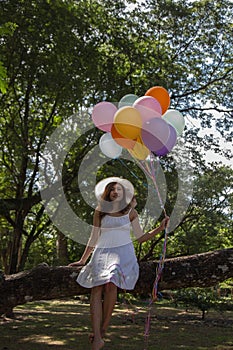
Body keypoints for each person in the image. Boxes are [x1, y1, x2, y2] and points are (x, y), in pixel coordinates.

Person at [69, 177, 169, 350]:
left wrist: (160, 228)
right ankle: (97, 336)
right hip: (102, 252)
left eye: (119, 190)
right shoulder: (100, 211)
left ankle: (103, 329)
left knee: (110, 284)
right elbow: (94, 237)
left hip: (123, 253)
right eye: (113, 189)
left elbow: (140, 238)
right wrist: (82, 260)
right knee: (96, 288)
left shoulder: (130, 212)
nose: (116, 192)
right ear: (108, 193)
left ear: (124, 194)